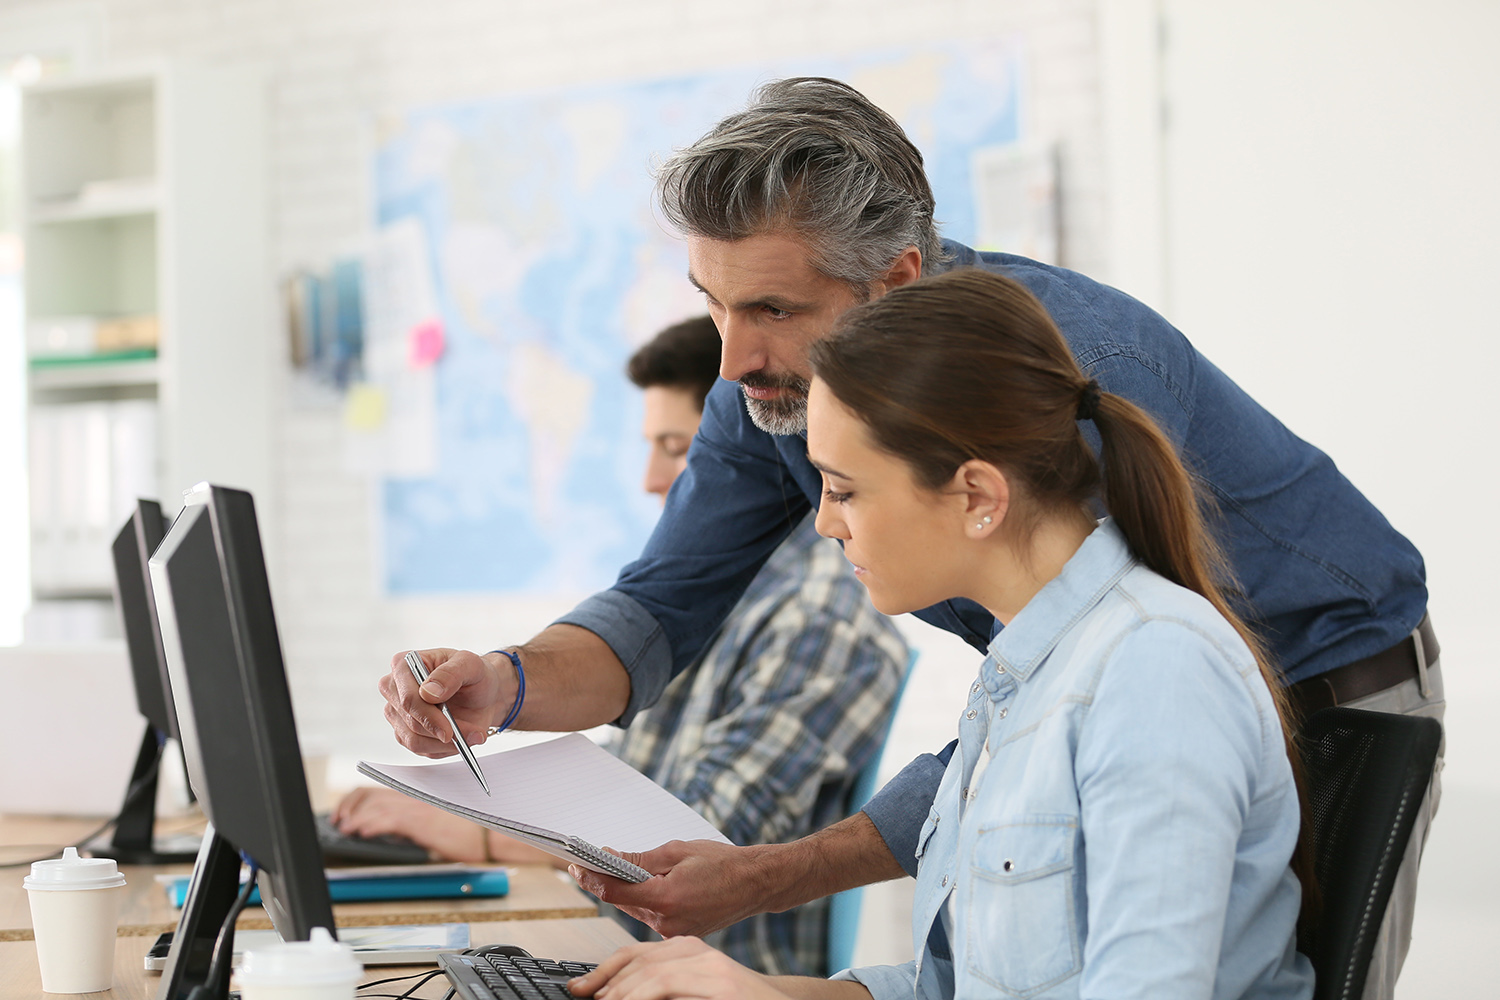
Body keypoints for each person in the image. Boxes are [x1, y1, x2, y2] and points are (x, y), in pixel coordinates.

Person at [379, 79, 1440, 998]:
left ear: (894, 279)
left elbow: (1108, 700)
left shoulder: (1071, 407)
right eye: (712, 305)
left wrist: (768, 880)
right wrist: (502, 684)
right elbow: (661, 607)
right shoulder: (779, 399)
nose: (735, 358)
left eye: (776, 310)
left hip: (1328, 676)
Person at [572, 266, 1316, 1000]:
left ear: (976, 496)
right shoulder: (1019, 675)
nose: (827, 523)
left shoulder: (1156, 672)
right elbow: (957, 988)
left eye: (845, 490)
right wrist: (760, 995)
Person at [341, 315, 908, 976]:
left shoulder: (818, 623)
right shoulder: (710, 603)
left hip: (709, 971)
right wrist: (473, 770)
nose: (650, 479)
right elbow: (641, 774)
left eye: (678, 449)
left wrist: (475, 836)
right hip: (619, 953)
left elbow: (694, 840)